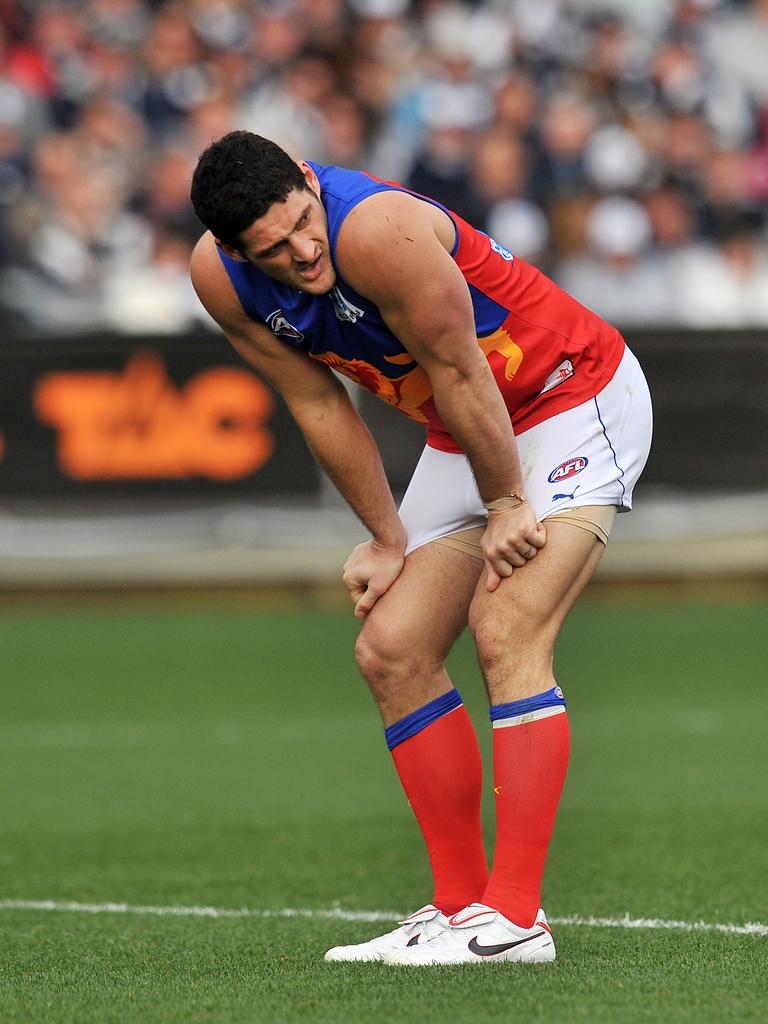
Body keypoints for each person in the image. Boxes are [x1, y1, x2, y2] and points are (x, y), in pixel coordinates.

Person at [189, 131, 653, 966]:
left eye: (303, 222)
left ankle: (513, 921)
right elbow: (319, 404)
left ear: (306, 179)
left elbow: (462, 368)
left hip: (571, 395)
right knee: (392, 650)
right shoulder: (218, 280)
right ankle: (456, 907)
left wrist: (509, 502)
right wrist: (384, 536)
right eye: (275, 248)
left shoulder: (375, 231)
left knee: (507, 626)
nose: (303, 251)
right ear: (233, 250)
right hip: (466, 426)